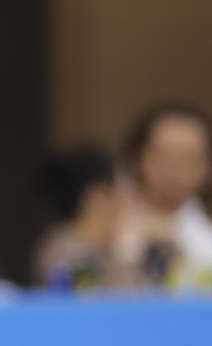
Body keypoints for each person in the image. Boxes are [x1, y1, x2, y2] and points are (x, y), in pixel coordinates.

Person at [115, 103, 212, 290]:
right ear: (137, 158)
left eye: (188, 157)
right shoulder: (107, 228)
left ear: (207, 166)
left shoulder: (206, 236)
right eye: (163, 155)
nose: (175, 168)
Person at [34, 146, 127, 289]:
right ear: (97, 196)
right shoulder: (60, 250)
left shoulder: (117, 247)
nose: (125, 200)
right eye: (120, 189)